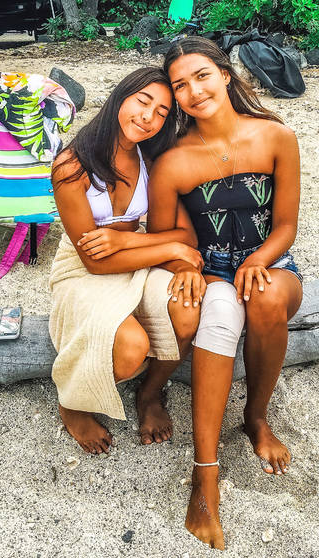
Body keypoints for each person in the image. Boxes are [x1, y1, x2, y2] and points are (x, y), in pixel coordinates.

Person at [146, 37, 304, 549]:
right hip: (210, 269)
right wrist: (183, 265)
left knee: (264, 297)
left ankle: (255, 417)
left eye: (202, 76)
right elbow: (163, 236)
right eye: (180, 85)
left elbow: (286, 226)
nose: (193, 91)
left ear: (225, 74)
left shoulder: (276, 136)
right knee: (216, 313)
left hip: (271, 263)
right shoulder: (172, 161)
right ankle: (205, 474)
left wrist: (258, 261)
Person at [48, 67, 204, 455]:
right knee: (132, 346)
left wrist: (130, 239)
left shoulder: (152, 158)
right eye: (143, 101)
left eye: (162, 112)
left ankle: (150, 392)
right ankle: (73, 404)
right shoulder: (72, 165)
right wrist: (172, 251)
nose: (149, 117)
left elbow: (186, 237)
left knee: (187, 310)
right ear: (121, 97)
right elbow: (95, 263)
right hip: (83, 269)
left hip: (135, 255)